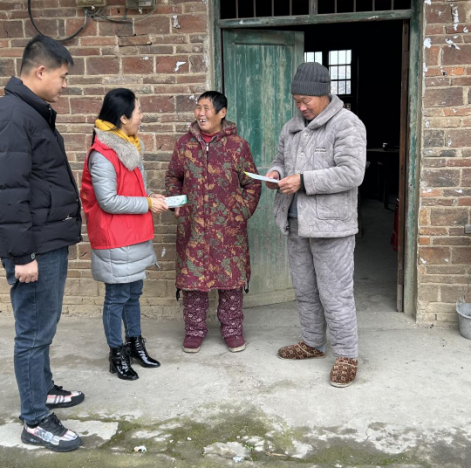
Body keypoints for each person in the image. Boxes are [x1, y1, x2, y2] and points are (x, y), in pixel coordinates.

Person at [0, 35, 85, 452]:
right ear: (40, 71)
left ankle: (42, 389)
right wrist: (22, 255)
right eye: (62, 76)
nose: (64, 85)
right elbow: (6, 193)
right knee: (32, 332)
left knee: (43, 326)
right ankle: (35, 420)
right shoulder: (12, 116)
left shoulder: (30, 112)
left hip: (46, 238)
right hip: (34, 247)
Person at [264, 62, 367, 388]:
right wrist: (276, 173)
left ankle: (347, 355)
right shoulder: (291, 127)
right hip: (295, 222)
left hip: (332, 226)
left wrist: (304, 181)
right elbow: (281, 160)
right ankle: (312, 343)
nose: (301, 107)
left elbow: (352, 173)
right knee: (305, 289)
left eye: (306, 100)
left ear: (324, 94)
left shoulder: (347, 124)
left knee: (335, 293)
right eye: (296, 100)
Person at [81, 89, 168, 382]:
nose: (142, 116)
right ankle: (116, 353)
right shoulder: (102, 154)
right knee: (117, 296)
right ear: (123, 117)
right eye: (138, 110)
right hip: (114, 237)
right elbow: (108, 201)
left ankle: (135, 344)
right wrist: (146, 203)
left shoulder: (130, 145)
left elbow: (136, 189)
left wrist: (153, 197)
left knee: (133, 293)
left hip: (134, 233)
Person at [165, 91, 262, 354]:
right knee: (193, 280)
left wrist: (241, 212)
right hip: (193, 226)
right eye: (198, 108)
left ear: (222, 113)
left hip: (228, 229)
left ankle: (232, 329)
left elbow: (252, 183)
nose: (201, 113)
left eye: (207, 108)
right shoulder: (184, 144)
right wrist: (176, 203)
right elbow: (173, 177)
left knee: (231, 280)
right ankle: (194, 330)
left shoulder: (237, 146)